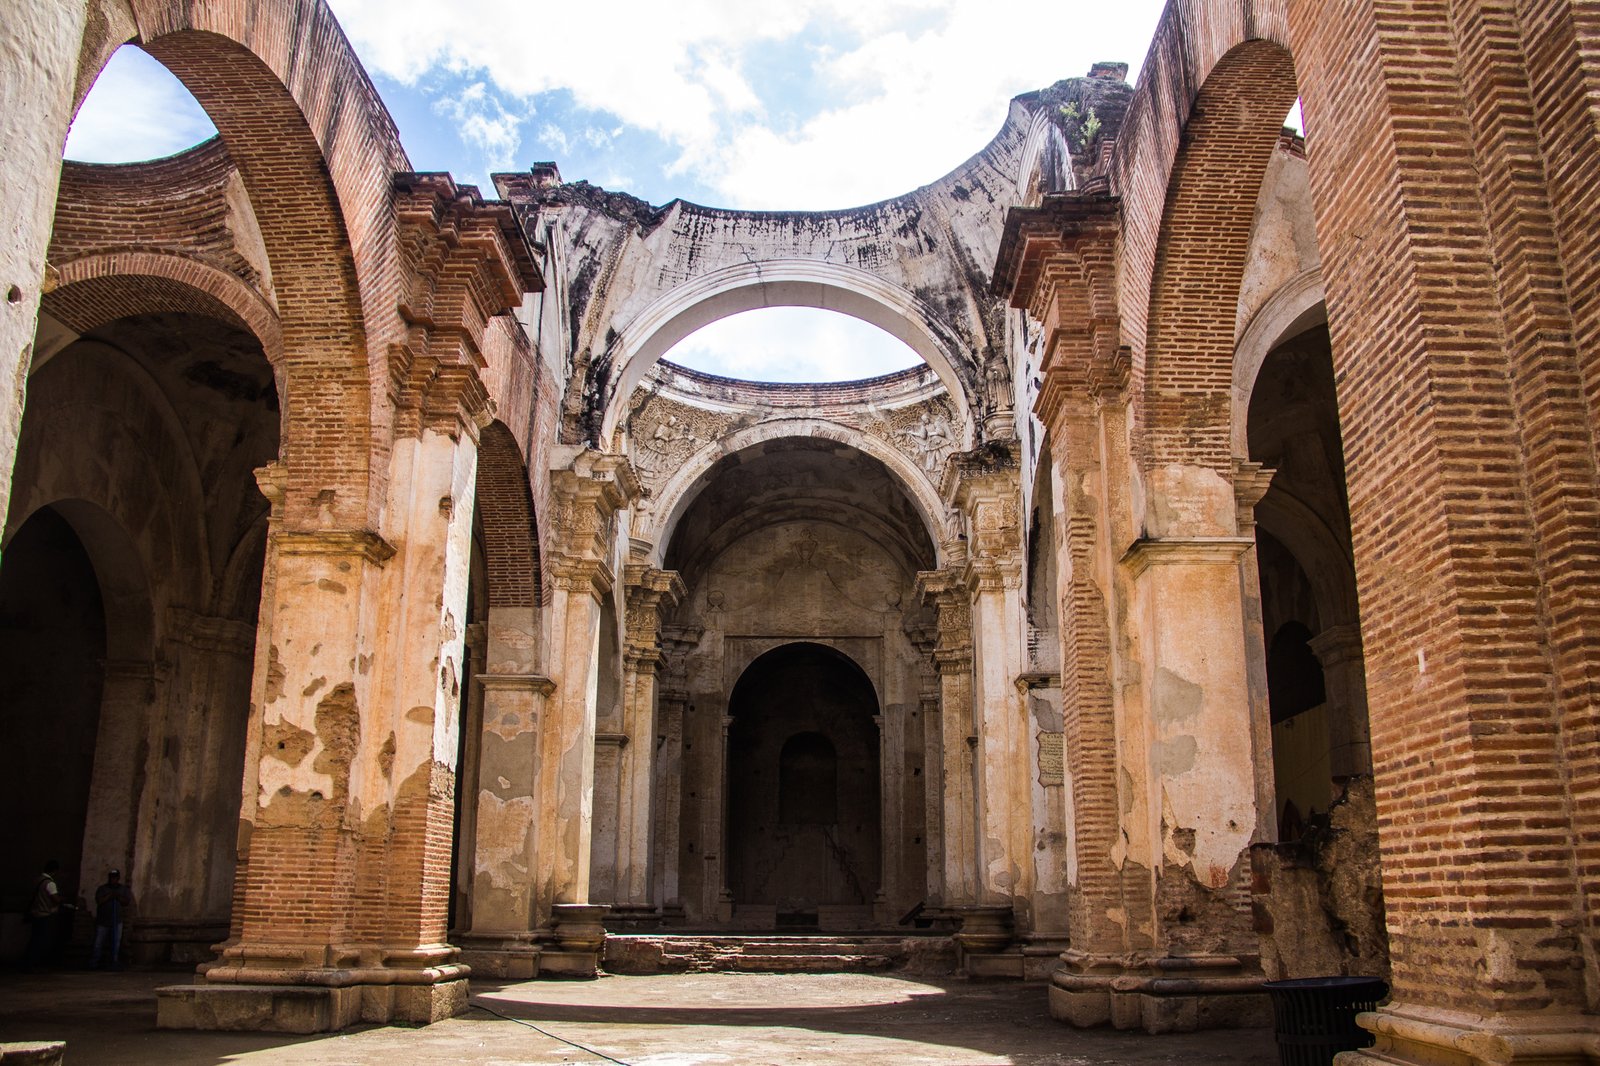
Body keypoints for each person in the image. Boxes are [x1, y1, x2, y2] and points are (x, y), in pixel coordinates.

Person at [23, 860, 63, 971]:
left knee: (34, 939)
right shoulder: (50, 883)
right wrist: (61, 899)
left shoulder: (37, 880)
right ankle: (34, 964)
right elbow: (55, 899)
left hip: (35, 913)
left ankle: (28, 962)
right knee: (42, 941)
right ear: (55, 871)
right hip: (45, 914)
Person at [91, 869, 133, 970]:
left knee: (116, 943)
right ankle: (94, 962)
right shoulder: (103, 889)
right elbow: (99, 901)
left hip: (117, 920)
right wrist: (109, 896)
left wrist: (117, 896)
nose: (113, 880)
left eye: (115, 878)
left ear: (118, 878)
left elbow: (126, 901)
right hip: (103, 921)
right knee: (98, 943)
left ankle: (114, 961)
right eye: (111, 877)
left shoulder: (122, 889)